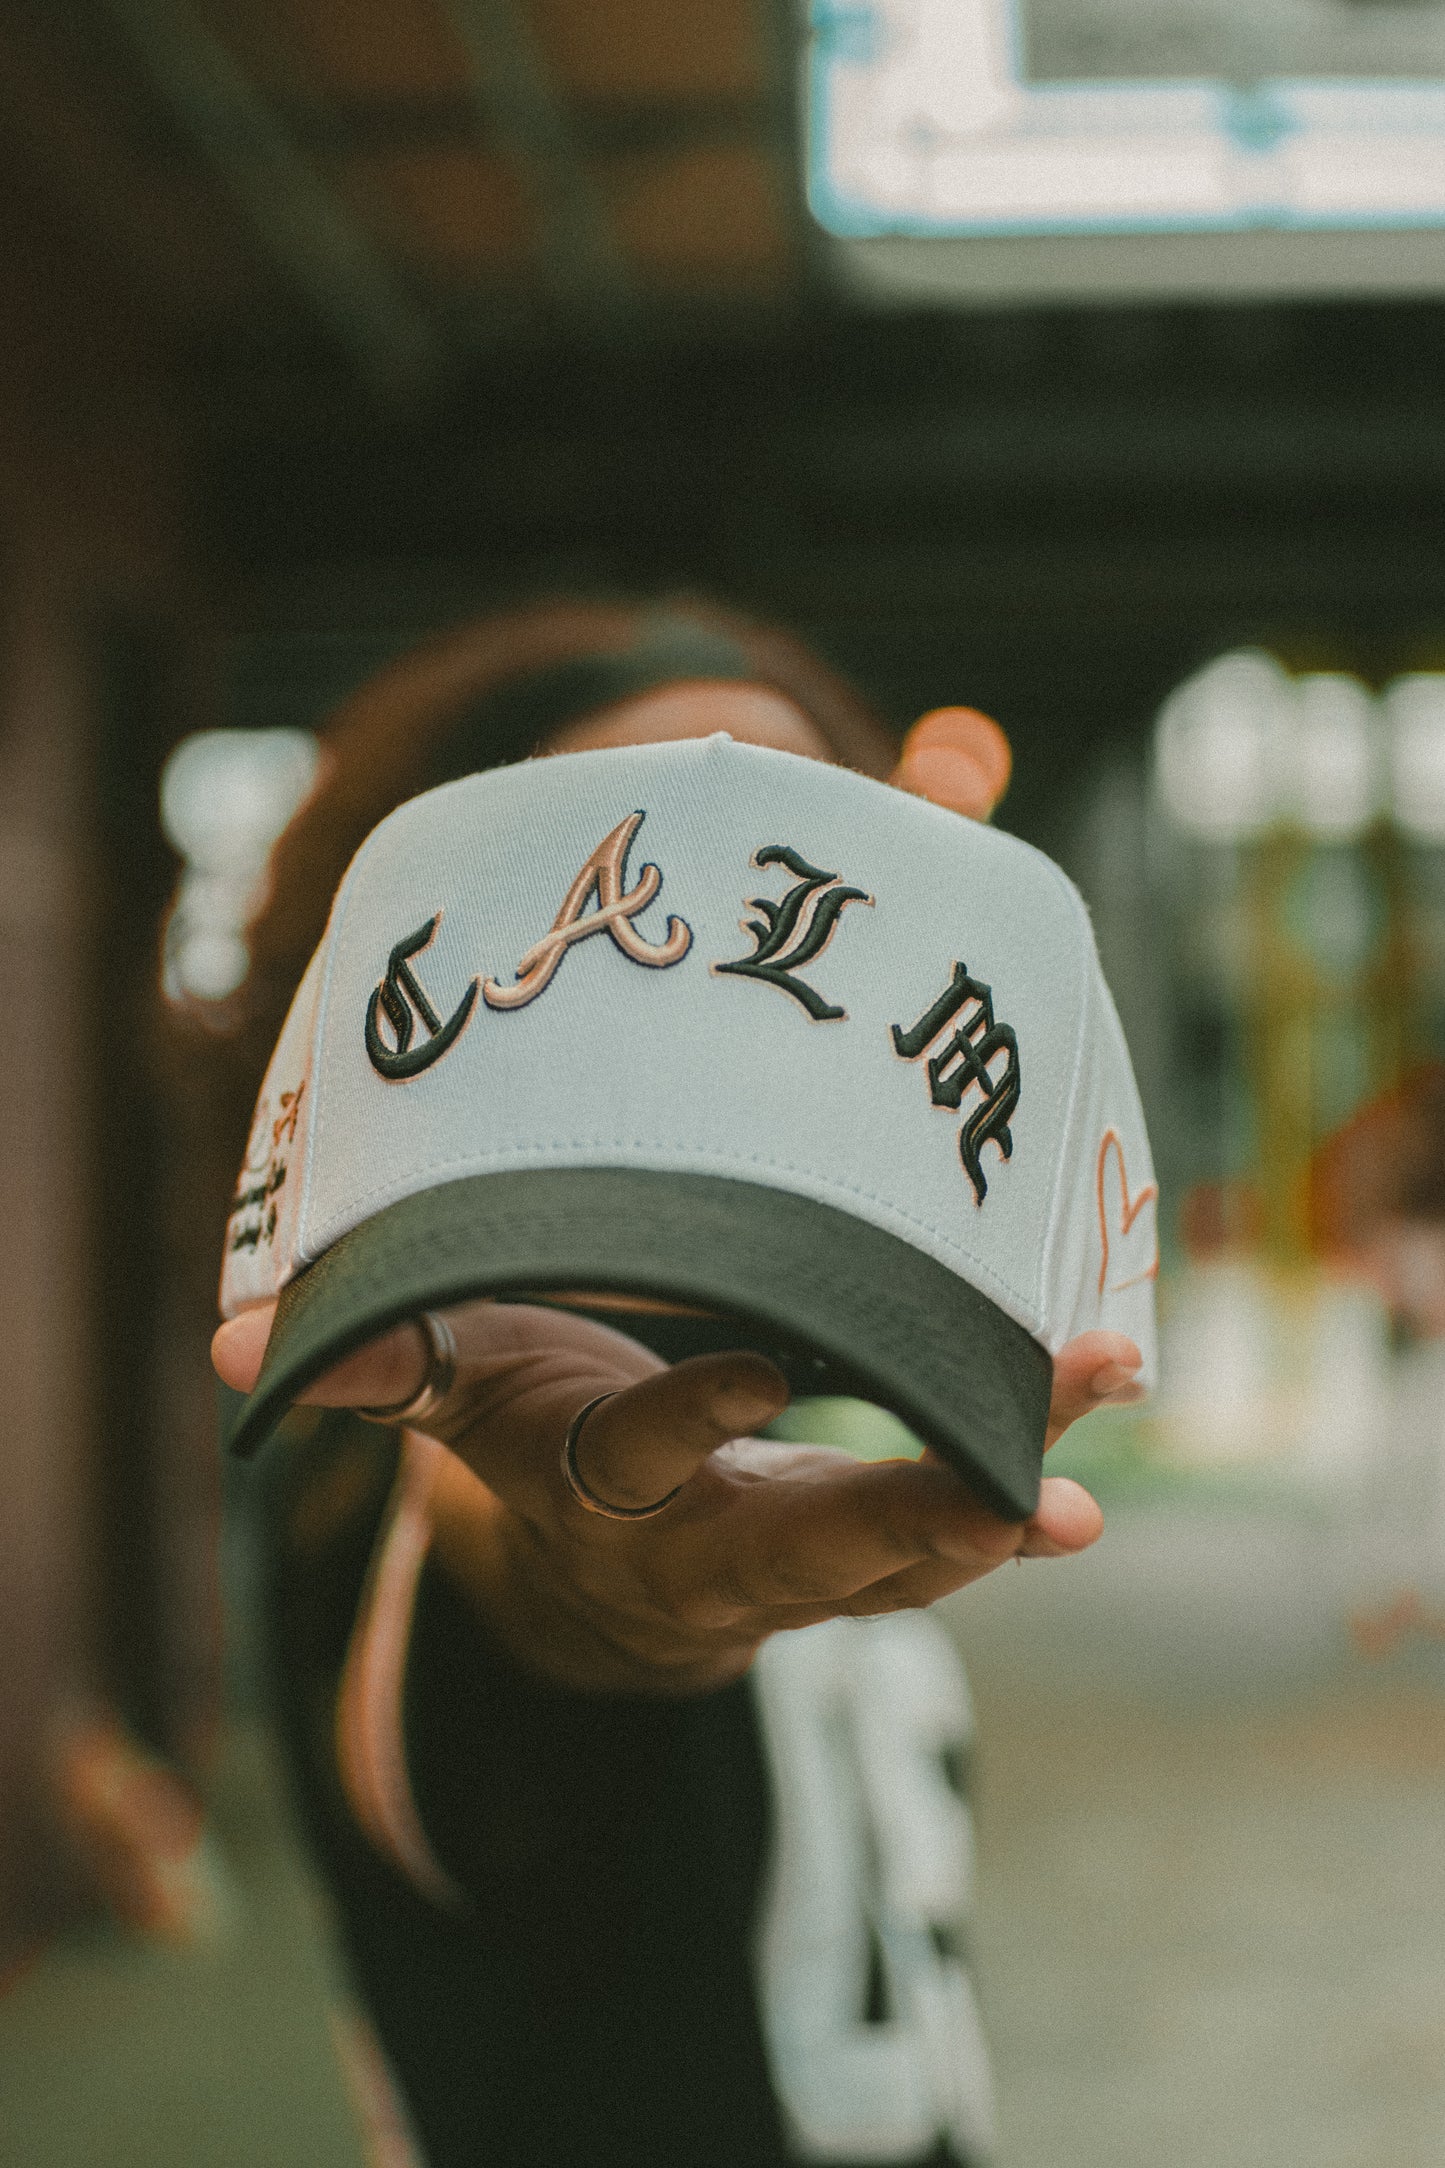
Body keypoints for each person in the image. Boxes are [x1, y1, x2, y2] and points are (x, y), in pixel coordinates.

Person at [174, 597, 1144, 2168]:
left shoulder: (829, 1365)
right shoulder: (408, 1423)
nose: (724, 925)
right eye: (634, 865)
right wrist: (610, 1585)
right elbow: (523, 1578)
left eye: (801, 854)